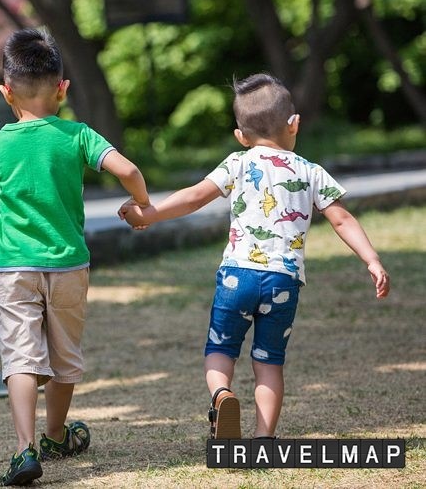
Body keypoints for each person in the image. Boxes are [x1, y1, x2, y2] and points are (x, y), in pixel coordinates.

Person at [119, 72, 390, 440]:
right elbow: (341, 219)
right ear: (294, 125)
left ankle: (222, 394)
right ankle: (264, 439)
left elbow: (196, 197)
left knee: (220, 349)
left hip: (237, 277)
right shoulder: (311, 172)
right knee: (269, 362)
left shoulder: (238, 162)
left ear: (240, 136)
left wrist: (148, 215)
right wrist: (371, 259)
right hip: (283, 281)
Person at [0, 27, 150, 485]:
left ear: (5, 91)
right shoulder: (77, 134)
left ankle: (25, 449)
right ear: (63, 89)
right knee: (62, 357)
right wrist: (142, 205)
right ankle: (56, 433)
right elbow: (129, 169)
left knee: (21, 358)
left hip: (13, 266)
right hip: (69, 265)